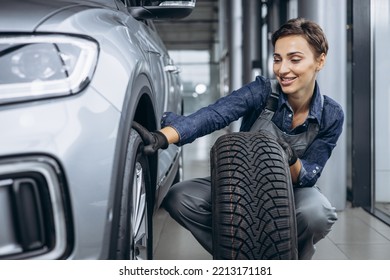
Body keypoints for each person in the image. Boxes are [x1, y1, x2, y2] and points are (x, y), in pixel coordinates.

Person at [138, 17, 344, 260]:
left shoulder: (331, 114)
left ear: (320, 60)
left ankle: (289, 261)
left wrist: (289, 157)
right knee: (179, 197)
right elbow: (215, 114)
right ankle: (240, 256)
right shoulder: (262, 91)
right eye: (277, 59)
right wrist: (161, 138)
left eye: (294, 59)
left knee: (317, 213)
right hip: (239, 182)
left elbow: (309, 174)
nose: (283, 69)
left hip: (290, 190)